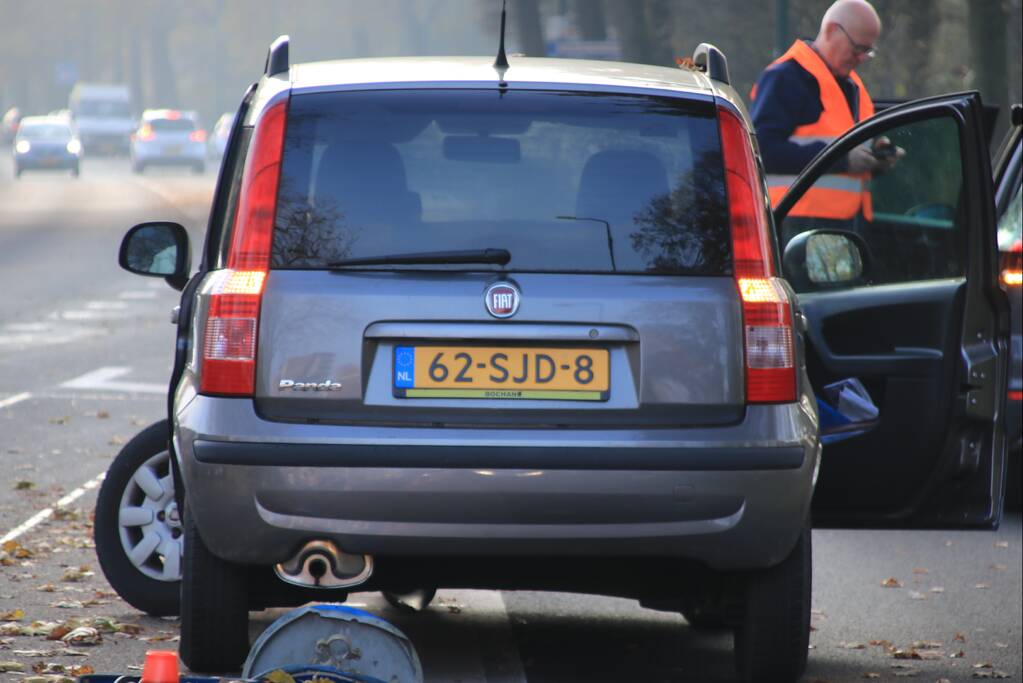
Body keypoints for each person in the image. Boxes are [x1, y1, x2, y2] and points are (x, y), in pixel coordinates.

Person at [750, 0, 899, 244]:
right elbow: (761, 152)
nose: (861, 58)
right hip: (797, 227)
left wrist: (876, 156)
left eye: (867, 51)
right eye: (857, 48)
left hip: (844, 228)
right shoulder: (786, 78)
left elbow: (847, 152)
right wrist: (842, 160)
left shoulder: (853, 86)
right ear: (831, 31)